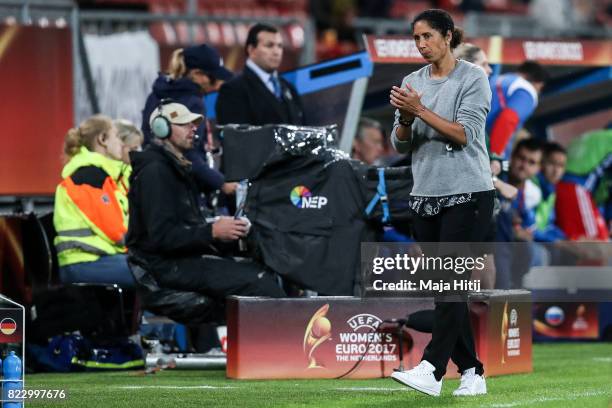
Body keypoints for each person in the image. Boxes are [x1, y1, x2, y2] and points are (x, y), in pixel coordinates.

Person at [388, 9, 493, 397]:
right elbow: (400, 143)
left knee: (451, 284)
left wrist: (419, 110)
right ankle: (472, 372)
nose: (421, 44)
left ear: (448, 36)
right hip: (425, 194)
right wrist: (402, 119)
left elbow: (464, 134)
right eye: (416, 38)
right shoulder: (412, 81)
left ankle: (432, 369)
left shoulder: (473, 78)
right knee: (446, 289)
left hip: (469, 193)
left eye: (428, 36)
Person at [126, 102, 285, 302]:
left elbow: (184, 227)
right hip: (163, 267)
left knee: (263, 271)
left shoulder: (175, 167)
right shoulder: (156, 171)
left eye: (193, 125)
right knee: (259, 283)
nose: (193, 129)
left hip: (180, 259)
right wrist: (212, 231)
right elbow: (162, 237)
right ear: (162, 128)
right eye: (184, 125)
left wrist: (220, 231)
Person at [53, 115, 134, 287]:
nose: (122, 143)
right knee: (153, 272)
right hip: (84, 262)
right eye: (117, 137)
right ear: (102, 139)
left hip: (98, 258)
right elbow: (116, 232)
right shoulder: (88, 177)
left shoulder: (102, 175)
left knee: (155, 269)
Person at [142, 44, 233, 194]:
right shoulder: (193, 102)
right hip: (182, 186)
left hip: (155, 177)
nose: (217, 85)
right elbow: (188, 153)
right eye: (214, 78)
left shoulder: (156, 95)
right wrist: (221, 183)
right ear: (197, 74)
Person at [215, 23, 305, 126]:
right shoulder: (233, 89)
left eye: (280, 46)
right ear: (251, 50)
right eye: (269, 45)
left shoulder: (289, 88)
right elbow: (236, 138)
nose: (277, 52)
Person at [495, 138, 544, 289]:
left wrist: (520, 231)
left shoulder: (530, 194)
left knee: (533, 251)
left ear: (538, 169)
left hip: (509, 248)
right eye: (521, 159)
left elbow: (528, 231)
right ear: (512, 157)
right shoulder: (496, 177)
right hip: (489, 244)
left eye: (531, 162)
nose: (524, 166)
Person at [486, 60, 549, 161]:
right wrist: (495, 155)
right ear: (539, 84)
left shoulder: (495, 79)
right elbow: (508, 119)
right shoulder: (527, 90)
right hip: (485, 151)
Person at [534, 142, 567, 242]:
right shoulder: (532, 185)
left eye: (561, 166)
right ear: (542, 163)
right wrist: (556, 241)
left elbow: (548, 225)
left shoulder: (552, 191)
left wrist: (567, 240)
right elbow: (528, 227)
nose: (556, 170)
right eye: (552, 163)